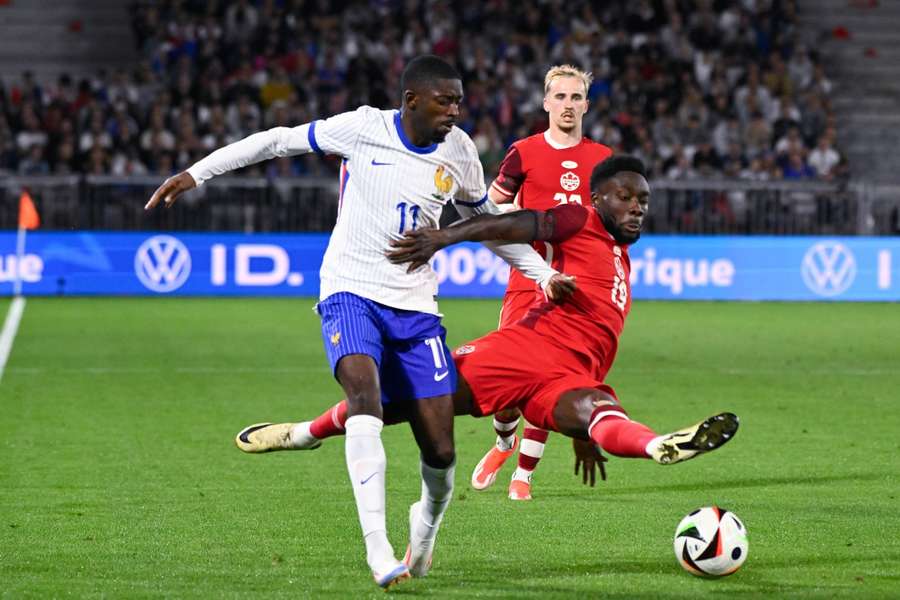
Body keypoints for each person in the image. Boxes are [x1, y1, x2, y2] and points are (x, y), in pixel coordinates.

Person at [144, 55, 575, 590]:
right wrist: (196, 173)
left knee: (440, 450)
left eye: (459, 101)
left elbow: (481, 224)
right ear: (412, 99)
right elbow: (278, 139)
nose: (455, 111)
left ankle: (424, 529)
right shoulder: (363, 127)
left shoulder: (460, 151)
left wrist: (540, 273)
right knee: (364, 402)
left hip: (416, 308)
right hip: (350, 290)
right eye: (445, 100)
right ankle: (378, 549)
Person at [236, 157, 740, 566]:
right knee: (400, 403)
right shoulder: (577, 219)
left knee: (600, 413)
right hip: (522, 353)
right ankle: (304, 433)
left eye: (643, 201)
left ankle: (658, 446)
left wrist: (584, 439)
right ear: (597, 199)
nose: (636, 208)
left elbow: (597, 343)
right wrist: (446, 236)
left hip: (572, 378)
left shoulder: (621, 258)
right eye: (625, 198)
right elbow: (508, 224)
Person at [474, 64, 614, 501]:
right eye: (560, 97)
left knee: (553, 378)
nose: (568, 105)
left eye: (576, 98)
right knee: (507, 387)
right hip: (528, 281)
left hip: (578, 288)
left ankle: (525, 474)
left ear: (586, 105)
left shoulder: (603, 160)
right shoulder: (523, 152)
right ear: (546, 102)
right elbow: (489, 209)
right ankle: (502, 442)